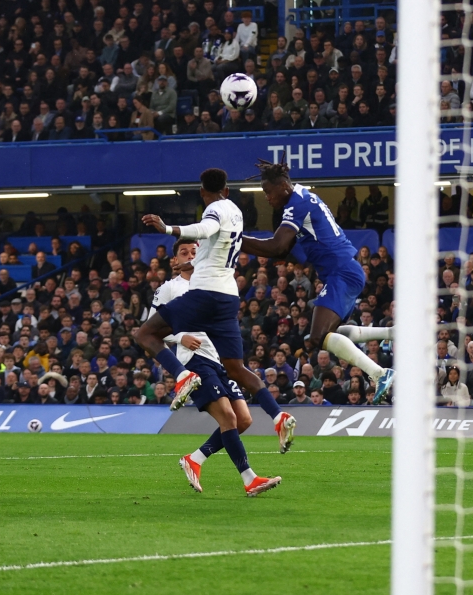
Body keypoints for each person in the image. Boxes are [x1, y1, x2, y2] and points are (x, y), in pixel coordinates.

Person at [134, 168, 298, 454]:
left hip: (205, 295)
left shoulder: (214, 209)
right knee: (236, 368)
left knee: (145, 333)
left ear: (202, 192)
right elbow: (216, 248)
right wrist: (192, 266)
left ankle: (182, 376)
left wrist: (168, 229)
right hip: (227, 297)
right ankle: (278, 415)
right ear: (228, 189)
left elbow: (203, 231)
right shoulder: (235, 210)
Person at [238, 160, 396, 401]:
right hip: (345, 270)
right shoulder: (303, 195)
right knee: (331, 333)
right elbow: (285, 250)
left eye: (268, 192)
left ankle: (378, 373)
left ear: (282, 186)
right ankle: (392, 332)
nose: (267, 198)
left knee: (317, 337)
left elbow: (277, 245)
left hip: (340, 272)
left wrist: (236, 239)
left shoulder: (296, 204)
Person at [159, 238, 281, 496]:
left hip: (222, 359)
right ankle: (250, 479)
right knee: (228, 417)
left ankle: (195, 459)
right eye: (184, 252)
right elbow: (149, 328)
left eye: (195, 250)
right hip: (195, 361)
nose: (190, 255)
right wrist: (180, 337)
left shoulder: (211, 282)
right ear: (176, 260)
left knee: (244, 420)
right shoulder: (171, 288)